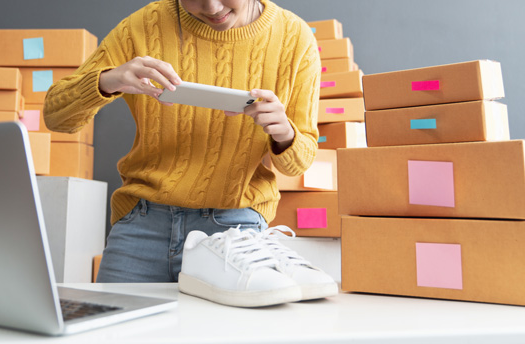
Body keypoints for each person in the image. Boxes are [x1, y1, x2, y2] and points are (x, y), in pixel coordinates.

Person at [43, 0, 320, 283]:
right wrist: (107, 80)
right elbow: (55, 116)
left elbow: (299, 164)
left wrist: (285, 133)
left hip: (236, 232)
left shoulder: (294, 38)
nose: (212, 7)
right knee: (110, 326)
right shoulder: (142, 27)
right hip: (142, 224)